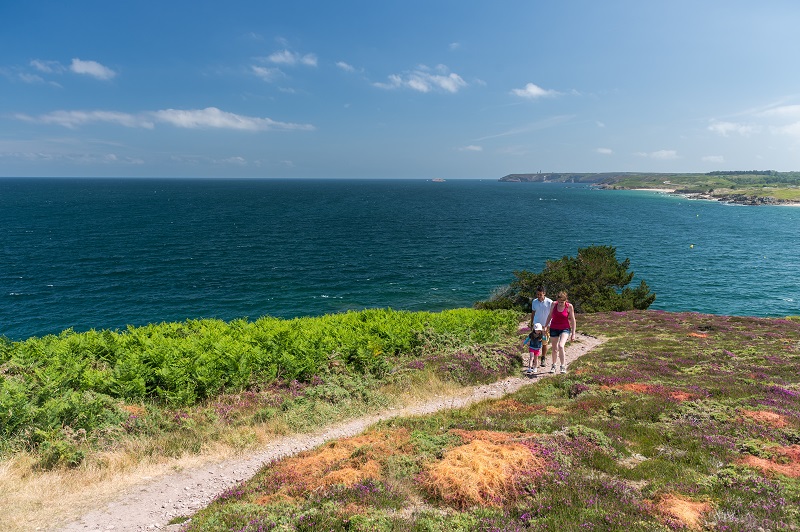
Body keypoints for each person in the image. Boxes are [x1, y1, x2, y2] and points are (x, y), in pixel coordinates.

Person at [545, 290, 576, 374]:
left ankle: (563, 366)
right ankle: (553, 365)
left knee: (561, 346)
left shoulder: (569, 306)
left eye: (562, 302)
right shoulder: (553, 304)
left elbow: (573, 320)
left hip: (565, 328)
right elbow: (550, 315)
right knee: (554, 349)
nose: (560, 303)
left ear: (566, 300)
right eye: (559, 302)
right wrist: (546, 325)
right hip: (554, 327)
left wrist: (573, 333)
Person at [529, 286, 553, 368]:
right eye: (537, 294)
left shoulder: (550, 302)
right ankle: (534, 361)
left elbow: (553, 314)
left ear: (544, 293)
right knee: (535, 342)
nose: (539, 296)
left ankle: (543, 357)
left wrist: (550, 325)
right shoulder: (534, 302)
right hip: (536, 326)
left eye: (540, 294)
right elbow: (533, 313)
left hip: (545, 326)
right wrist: (531, 323)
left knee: (544, 342)